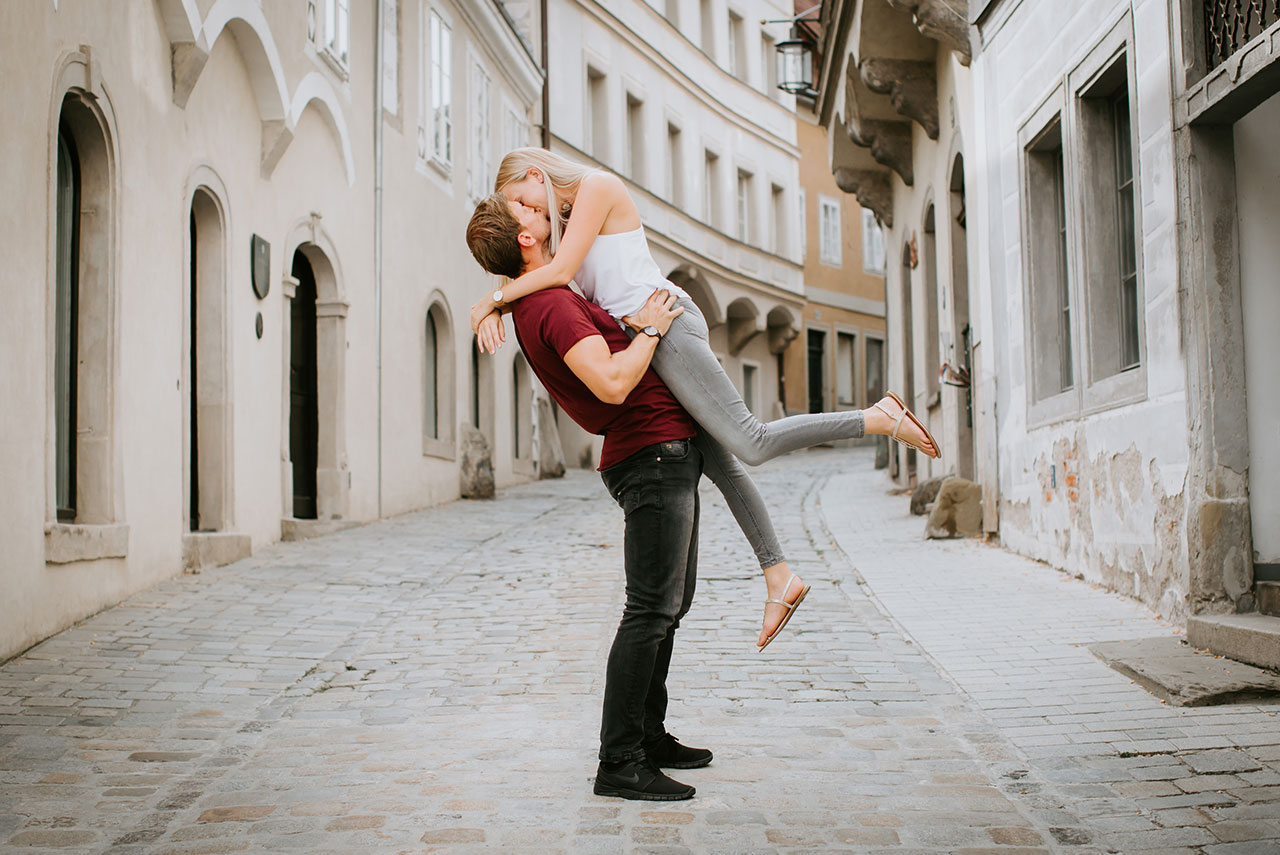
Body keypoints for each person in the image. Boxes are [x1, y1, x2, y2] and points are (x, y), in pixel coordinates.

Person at [468, 147, 940, 650]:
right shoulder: (557, 225)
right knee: (720, 461)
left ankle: (876, 417)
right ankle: (778, 576)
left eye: (520, 198)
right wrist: (502, 299)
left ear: (536, 174)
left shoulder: (595, 189)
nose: (526, 211)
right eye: (517, 209)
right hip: (648, 339)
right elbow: (530, 267)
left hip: (667, 327)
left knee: (751, 442)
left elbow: (558, 273)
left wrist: (490, 302)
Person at [466, 190, 709, 801]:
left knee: (670, 604)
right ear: (526, 239)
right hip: (649, 452)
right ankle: (620, 761)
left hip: (661, 448)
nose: (539, 203)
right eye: (525, 206)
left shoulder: (546, 296)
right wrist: (652, 326)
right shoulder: (551, 303)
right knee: (650, 608)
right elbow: (611, 380)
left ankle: (649, 736)